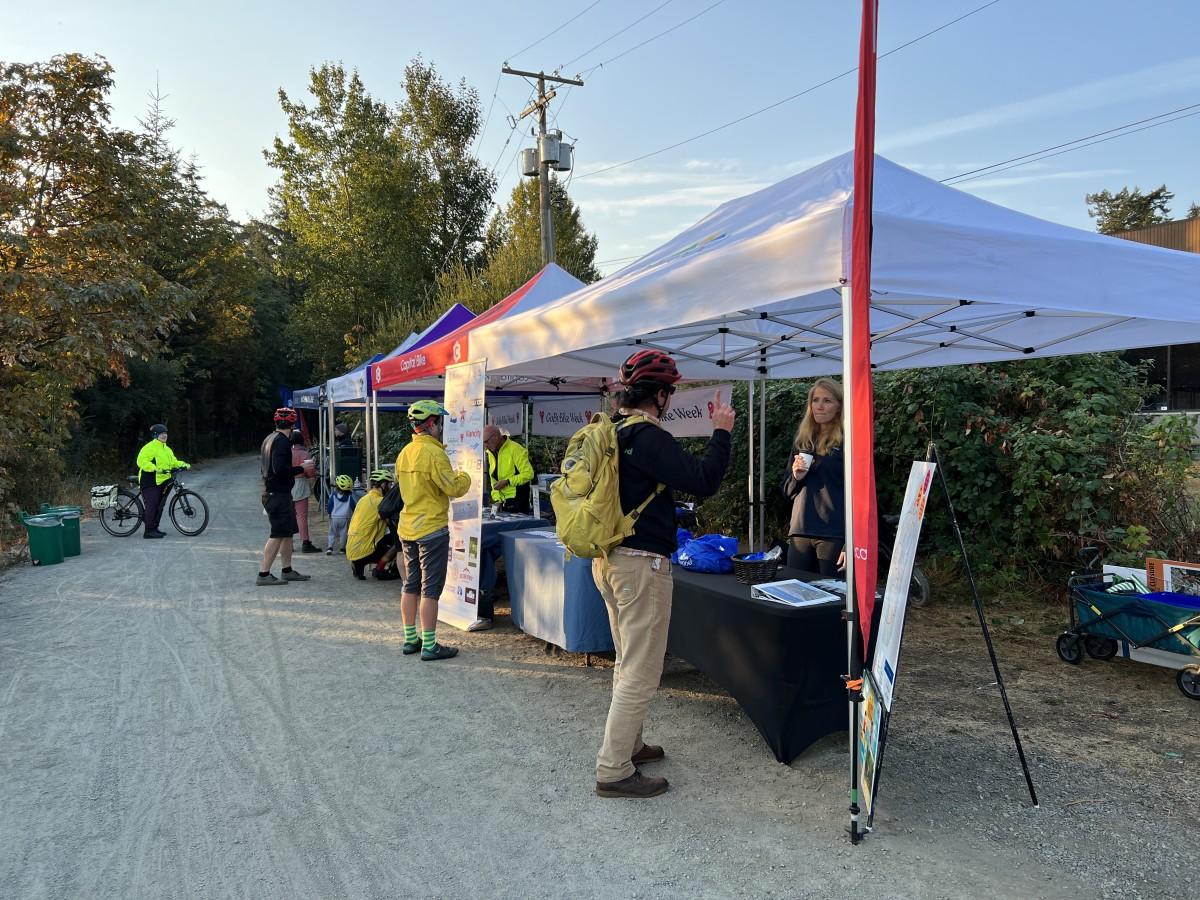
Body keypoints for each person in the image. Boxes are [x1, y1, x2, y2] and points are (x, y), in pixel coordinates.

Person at [593, 350, 735, 799]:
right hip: (641, 564)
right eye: (669, 391)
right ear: (659, 394)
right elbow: (705, 479)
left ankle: (629, 744)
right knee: (641, 668)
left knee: (626, 658)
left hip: (609, 559)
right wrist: (721, 431)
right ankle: (613, 769)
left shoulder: (612, 432)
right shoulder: (648, 437)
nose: (670, 398)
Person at [395, 399, 471, 661]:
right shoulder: (434, 453)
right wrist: (466, 475)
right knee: (430, 589)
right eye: (439, 422)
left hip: (407, 527)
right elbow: (453, 488)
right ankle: (430, 645)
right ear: (431, 423)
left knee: (410, 584)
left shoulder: (405, 452)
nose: (440, 427)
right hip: (431, 529)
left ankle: (409, 638)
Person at [782, 377, 846, 577]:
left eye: (827, 401)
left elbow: (861, 493)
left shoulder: (849, 441)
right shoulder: (803, 440)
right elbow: (786, 491)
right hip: (800, 529)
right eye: (815, 400)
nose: (819, 406)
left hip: (833, 532)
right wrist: (796, 477)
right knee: (796, 593)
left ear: (839, 406)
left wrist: (849, 542)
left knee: (832, 598)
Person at [257, 408, 313, 586]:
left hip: (275, 492)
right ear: (293, 425)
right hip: (277, 493)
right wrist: (301, 468)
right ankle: (263, 573)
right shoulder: (282, 443)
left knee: (287, 533)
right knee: (277, 534)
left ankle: (287, 570)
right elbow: (279, 469)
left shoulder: (269, 438)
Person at [135, 423, 189, 539]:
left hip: (163, 480)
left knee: (160, 505)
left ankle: (155, 527)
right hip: (150, 480)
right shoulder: (149, 447)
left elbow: (173, 462)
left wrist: (183, 464)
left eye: (165, 433)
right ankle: (148, 531)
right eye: (161, 433)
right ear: (155, 435)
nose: (164, 435)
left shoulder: (167, 449)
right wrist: (155, 469)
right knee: (152, 505)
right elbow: (141, 461)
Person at [346, 469, 398, 580]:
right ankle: (380, 569)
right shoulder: (380, 501)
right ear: (383, 484)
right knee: (399, 542)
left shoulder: (363, 499)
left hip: (352, 547)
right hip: (366, 548)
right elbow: (391, 521)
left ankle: (358, 564)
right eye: (389, 484)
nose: (390, 487)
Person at [483, 425, 534, 513]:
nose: (485, 446)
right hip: (501, 503)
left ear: (496, 437)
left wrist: (507, 481)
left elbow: (528, 474)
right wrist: (497, 500)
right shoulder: (491, 452)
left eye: (486, 442)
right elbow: (493, 480)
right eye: (483, 443)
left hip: (517, 502)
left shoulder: (516, 449)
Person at [291, 431, 319, 553]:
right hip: (300, 484)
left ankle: (289, 544)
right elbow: (310, 472)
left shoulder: (286, 452)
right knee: (301, 516)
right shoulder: (305, 453)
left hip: (286, 485)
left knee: (289, 515)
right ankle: (305, 543)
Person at [326, 474, 357, 555]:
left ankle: (330, 547)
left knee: (332, 532)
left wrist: (329, 513)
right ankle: (342, 549)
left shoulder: (333, 496)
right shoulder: (350, 497)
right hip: (346, 518)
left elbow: (329, 506)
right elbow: (354, 507)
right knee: (344, 534)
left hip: (334, 517)